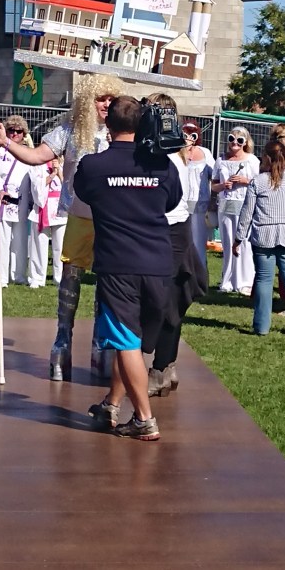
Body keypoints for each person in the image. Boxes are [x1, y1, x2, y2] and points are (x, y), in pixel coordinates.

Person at [0, 74, 124, 380]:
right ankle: (62, 340)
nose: (106, 104)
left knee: (109, 281)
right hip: (79, 214)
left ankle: (101, 342)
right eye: (100, 98)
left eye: (111, 99)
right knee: (70, 277)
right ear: (87, 102)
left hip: (112, 219)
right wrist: (7, 141)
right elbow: (36, 156)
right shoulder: (70, 130)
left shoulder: (123, 131)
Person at [77, 96, 183, 440]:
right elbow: (172, 201)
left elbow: (83, 193)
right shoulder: (163, 165)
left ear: (107, 124)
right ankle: (112, 404)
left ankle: (144, 419)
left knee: (126, 343)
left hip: (118, 266)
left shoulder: (93, 166)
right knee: (133, 343)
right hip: (158, 265)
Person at [144, 94, 208, 399]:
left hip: (167, 229)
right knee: (170, 301)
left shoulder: (166, 151)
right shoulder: (175, 149)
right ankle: (166, 365)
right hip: (175, 230)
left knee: (164, 302)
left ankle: (160, 368)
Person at [232, 140, 285, 336]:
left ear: (266, 158)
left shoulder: (257, 182)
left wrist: (238, 238)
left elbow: (246, 213)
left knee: (264, 280)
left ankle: (261, 327)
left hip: (263, 237)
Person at [212, 127, 260, 294]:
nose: (235, 143)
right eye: (232, 138)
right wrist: (222, 185)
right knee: (227, 242)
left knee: (244, 242)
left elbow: (259, 183)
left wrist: (245, 180)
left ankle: (245, 282)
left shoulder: (252, 160)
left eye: (240, 140)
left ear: (245, 142)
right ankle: (228, 281)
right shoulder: (221, 160)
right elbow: (213, 185)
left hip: (245, 204)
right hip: (225, 205)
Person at [0, 115, 32, 288]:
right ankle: (0, 278)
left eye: (19, 131)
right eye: (11, 130)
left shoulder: (28, 154)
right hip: (4, 202)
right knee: (1, 240)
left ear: (24, 133)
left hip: (23, 202)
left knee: (20, 241)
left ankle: (19, 275)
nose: (15, 134)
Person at [28, 157, 66, 288]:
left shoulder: (65, 163)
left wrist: (59, 172)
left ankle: (59, 277)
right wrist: (52, 174)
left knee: (60, 246)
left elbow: (69, 186)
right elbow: (36, 185)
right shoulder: (37, 164)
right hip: (42, 207)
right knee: (39, 244)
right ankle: (37, 277)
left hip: (60, 209)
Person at [181, 119, 215, 269]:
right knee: (183, 241)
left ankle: (199, 272)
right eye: (185, 135)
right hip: (181, 204)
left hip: (200, 204)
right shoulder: (177, 153)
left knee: (198, 241)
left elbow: (214, 175)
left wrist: (213, 200)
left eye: (192, 135)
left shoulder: (205, 152)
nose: (188, 138)